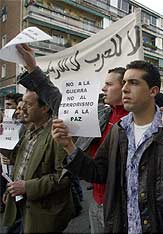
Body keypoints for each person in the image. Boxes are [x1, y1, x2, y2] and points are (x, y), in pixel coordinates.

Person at [52, 60, 163, 233]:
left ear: (153, 91)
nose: (125, 89)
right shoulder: (119, 130)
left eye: (134, 83)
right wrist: (68, 145)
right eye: (125, 82)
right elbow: (98, 172)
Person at [15, 43, 129, 233]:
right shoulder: (101, 114)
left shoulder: (138, 121)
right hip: (97, 203)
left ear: (125, 87)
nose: (103, 88)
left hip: (121, 207)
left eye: (109, 84)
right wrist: (32, 68)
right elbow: (59, 101)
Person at [2, 90, 74, 233]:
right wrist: (10, 189)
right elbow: (20, 163)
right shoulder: (28, 130)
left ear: (44, 108)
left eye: (28, 104)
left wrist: (27, 187)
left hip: (43, 211)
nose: (22, 108)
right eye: (22, 102)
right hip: (21, 204)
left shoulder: (58, 134)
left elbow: (64, 178)